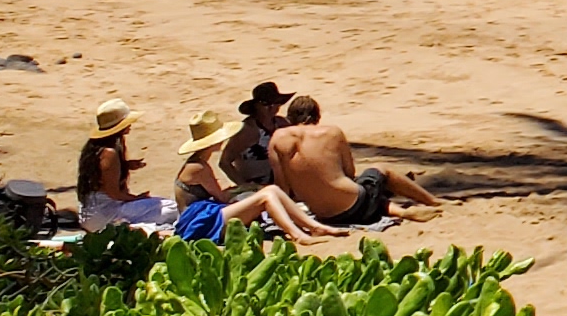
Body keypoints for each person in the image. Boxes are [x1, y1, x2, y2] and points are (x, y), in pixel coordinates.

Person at [266, 93, 444, 230]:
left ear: (290, 119)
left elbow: (283, 186)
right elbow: (349, 172)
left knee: (366, 195)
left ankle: (403, 211)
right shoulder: (332, 132)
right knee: (380, 172)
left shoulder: (277, 139)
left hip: (324, 215)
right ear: (317, 117)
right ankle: (432, 201)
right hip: (354, 204)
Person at [170, 108, 343, 246]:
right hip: (200, 222)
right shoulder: (198, 168)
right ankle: (298, 235)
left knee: (271, 190)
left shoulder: (197, 163)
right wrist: (244, 190)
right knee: (266, 196)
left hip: (205, 215)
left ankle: (314, 227)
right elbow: (221, 197)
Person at [73, 100, 168, 232]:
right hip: (104, 214)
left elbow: (102, 172)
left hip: (94, 213)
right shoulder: (110, 153)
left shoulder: (97, 147)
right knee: (169, 207)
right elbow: (114, 194)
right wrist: (137, 198)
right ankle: (129, 227)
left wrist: (125, 165)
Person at [216, 81, 289, 188]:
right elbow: (224, 162)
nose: (271, 107)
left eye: (275, 103)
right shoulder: (247, 130)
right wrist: (244, 186)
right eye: (266, 104)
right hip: (256, 188)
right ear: (256, 106)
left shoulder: (282, 124)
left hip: (282, 186)